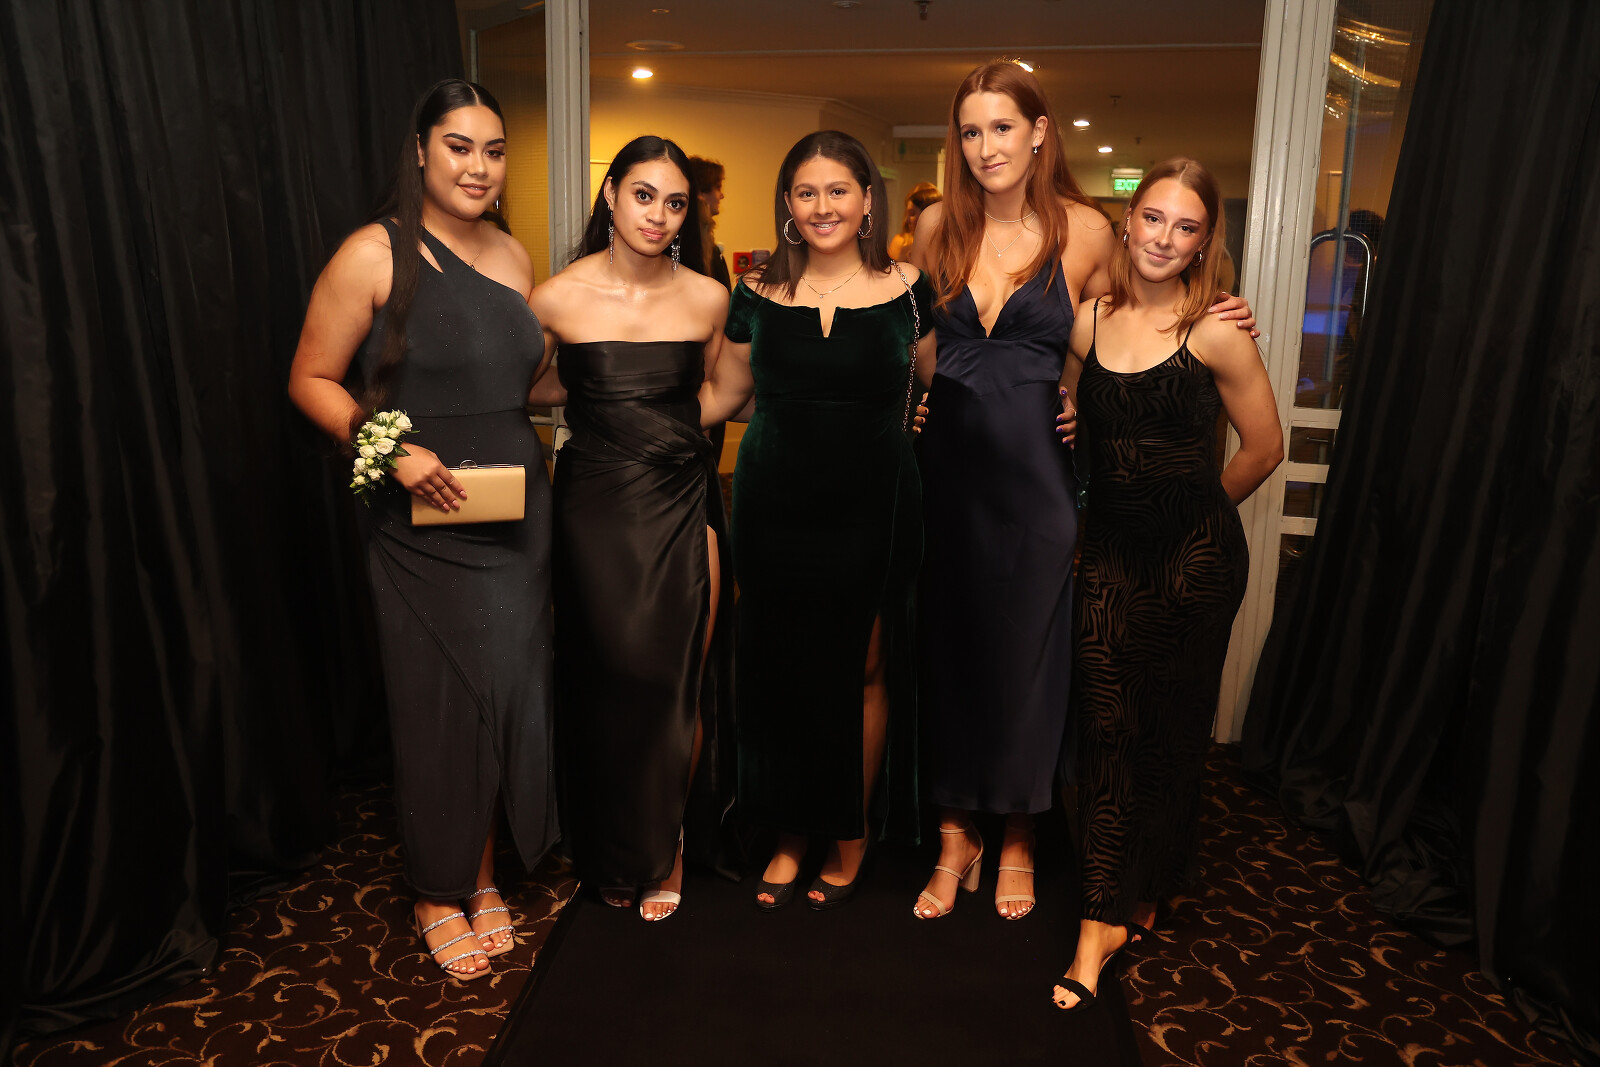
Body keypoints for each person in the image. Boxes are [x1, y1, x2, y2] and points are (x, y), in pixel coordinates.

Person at [908, 59, 1256, 922]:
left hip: (1038, 479)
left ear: (1038, 131)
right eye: (970, 130)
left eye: (1002, 127)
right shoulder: (933, 225)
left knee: (1029, 658)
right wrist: (916, 400)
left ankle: (1020, 833)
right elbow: (919, 343)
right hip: (947, 474)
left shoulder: (1089, 230)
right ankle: (955, 834)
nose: (985, 146)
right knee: (948, 651)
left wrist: (1220, 305)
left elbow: (1134, 322)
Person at [287, 79, 556, 981]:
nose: (479, 167)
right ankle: (437, 891)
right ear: (420, 151)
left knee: (506, 693)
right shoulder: (373, 252)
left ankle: (480, 874)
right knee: (439, 701)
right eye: (459, 146)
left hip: (516, 514)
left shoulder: (514, 256)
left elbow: (523, 382)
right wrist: (390, 449)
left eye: (494, 150)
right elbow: (311, 378)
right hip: (422, 522)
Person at [1052, 157, 1282, 1010]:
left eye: (1186, 227)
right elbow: (1071, 416)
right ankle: (1102, 915)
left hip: (1195, 561)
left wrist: (1192, 517)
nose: (1164, 238)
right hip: (1109, 557)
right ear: (1128, 220)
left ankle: (1153, 880)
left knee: (1173, 731)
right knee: (1107, 730)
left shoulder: (1217, 329)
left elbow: (1265, 448)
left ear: (1204, 241)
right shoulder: (1086, 322)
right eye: (1153, 218)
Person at [698, 130, 934, 910]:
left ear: (868, 201)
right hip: (775, 503)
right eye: (807, 192)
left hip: (875, 502)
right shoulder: (755, 292)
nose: (823, 206)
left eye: (839, 190)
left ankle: (849, 830)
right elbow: (725, 395)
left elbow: (934, 381)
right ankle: (792, 831)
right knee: (780, 667)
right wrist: (619, 409)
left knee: (861, 667)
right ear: (788, 205)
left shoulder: (909, 287)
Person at [525, 136, 733, 922]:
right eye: (644, 195)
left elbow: (717, 392)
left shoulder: (707, 297)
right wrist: (598, 403)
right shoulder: (554, 297)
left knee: (672, 678)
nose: (658, 215)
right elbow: (528, 385)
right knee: (604, 676)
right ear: (611, 194)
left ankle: (667, 842)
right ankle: (614, 845)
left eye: (675, 202)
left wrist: (661, 433)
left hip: (680, 497)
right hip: (594, 508)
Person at [687, 155, 732, 288]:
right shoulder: (688, 244)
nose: (721, 195)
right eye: (718, 188)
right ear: (700, 192)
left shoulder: (707, 243)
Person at [888, 181, 942, 261]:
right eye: (908, 213)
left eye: (912, 213)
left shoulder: (945, 246)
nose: (907, 220)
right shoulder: (901, 243)